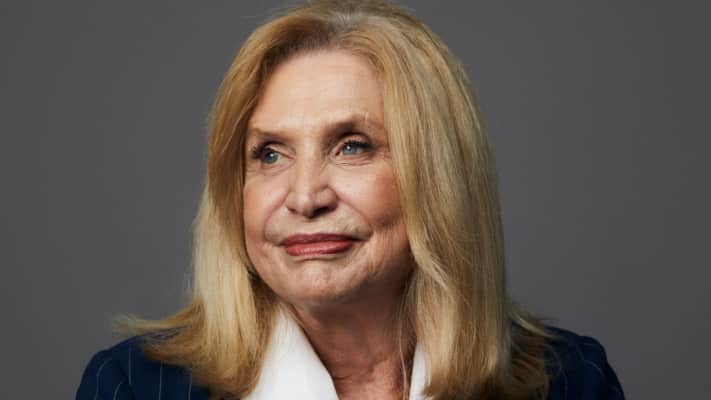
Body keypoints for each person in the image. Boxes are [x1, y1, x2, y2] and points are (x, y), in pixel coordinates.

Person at [76, 1, 624, 399]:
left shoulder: (571, 382)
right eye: (270, 154)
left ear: (438, 177)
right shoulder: (134, 386)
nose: (305, 196)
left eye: (352, 146)